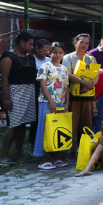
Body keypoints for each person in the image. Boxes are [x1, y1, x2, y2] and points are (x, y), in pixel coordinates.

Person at [0, 31, 38, 164]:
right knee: (14, 124)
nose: (32, 47)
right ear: (21, 42)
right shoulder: (8, 57)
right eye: (30, 44)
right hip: (15, 91)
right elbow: (4, 78)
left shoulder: (30, 57)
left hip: (30, 91)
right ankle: (4, 155)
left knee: (23, 124)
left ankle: (18, 153)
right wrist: (7, 98)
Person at [33, 42, 70, 170]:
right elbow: (43, 85)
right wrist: (51, 101)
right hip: (46, 102)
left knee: (58, 129)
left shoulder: (64, 68)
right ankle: (44, 157)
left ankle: (57, 156)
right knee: (45, 129)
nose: (57, 55)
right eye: (55, 52)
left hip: (61, 103)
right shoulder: (45, 66)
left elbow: (67, 87)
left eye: (60, 52)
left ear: (64, 54)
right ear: (50, 53)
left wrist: (66, 103)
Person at [62, 33, 98, 158]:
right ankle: (70, 152)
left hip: (88, 97)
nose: (84, 45)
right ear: (75, 42)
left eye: (86, 43)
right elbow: (68, 74)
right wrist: (83, 82)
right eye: (81, 42)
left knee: (86, 125)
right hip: (73, 96)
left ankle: (85, 150)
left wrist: (93, 82)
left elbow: (97, 74)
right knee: (72, 125)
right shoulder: (68, 58)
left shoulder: (91, 58)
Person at [30, 39, 51, 147]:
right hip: (35, 91)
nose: (46, 52)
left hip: (49, 92)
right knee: (36, 118)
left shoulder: (49, 60)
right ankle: (33, 145)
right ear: (37, 49)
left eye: (48, 50)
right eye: (44, 50)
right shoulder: (31, 59)